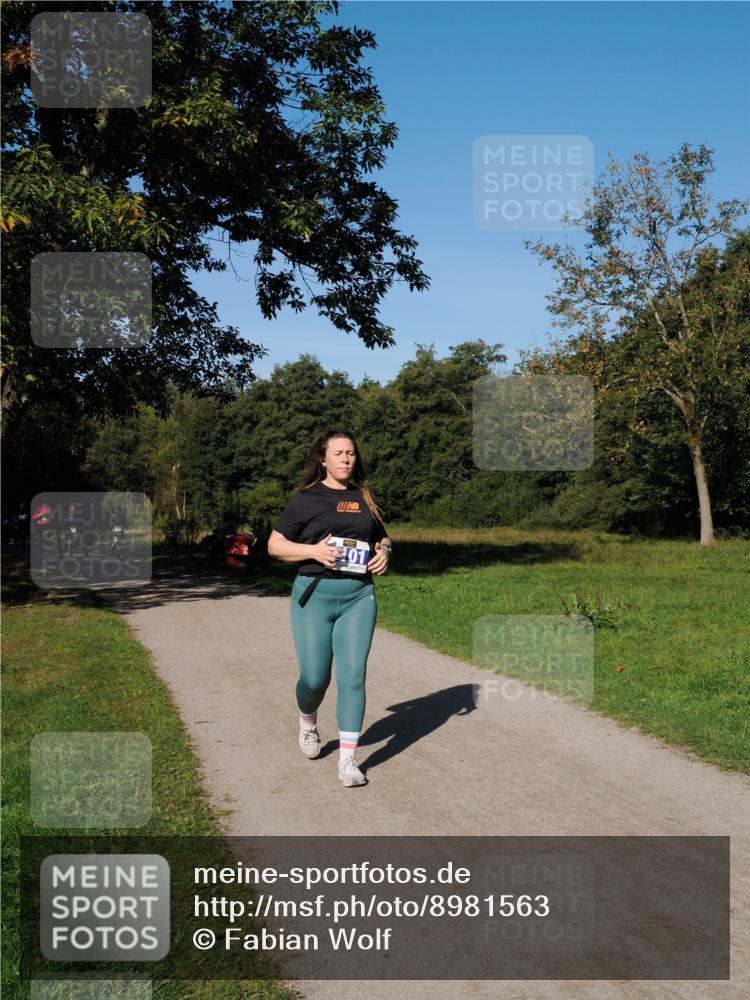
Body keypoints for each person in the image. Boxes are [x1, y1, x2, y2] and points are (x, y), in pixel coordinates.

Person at [267, 429, 392, 787]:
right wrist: (313, 552)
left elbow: (381, 535)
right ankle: (308, 722)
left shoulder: (364, 496)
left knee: (353, 676)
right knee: (315, 677)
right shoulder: (306, 500)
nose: (345, 459)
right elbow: (275, 546)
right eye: (338, 453)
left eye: (350, 453)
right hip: (315, 595)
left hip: (358, 596)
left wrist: (384, 551)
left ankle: (349, 760)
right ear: (323, 459)